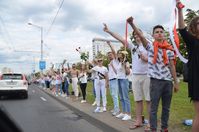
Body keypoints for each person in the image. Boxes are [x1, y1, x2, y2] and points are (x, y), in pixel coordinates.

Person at [126, 16, 179, 132]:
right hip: (155, 81)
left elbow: (172, 66)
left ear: (164, 34)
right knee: (153, 108)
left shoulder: (169, 49)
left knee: (166, 108)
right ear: (153, 35)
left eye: (161, 32)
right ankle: (153, 128)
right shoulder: (150, 47)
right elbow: (141, 36)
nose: (159, 34)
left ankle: (164, 128)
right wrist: (132, 24)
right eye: (157, 32)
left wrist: (176, 82)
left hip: (167, 82)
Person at [104, 23, 150, 126]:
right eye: (135, 35)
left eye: (139, 34)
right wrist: (109, 31)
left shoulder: (148, 45)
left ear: (142, 34)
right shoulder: (133, 47)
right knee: (138, 100)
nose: (137, 36)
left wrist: (147, 59)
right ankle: (138, 121)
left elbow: (154, 58)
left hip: (147, 75)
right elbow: (121, 39)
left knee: (148, 100)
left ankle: (150, 123)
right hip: (136, 76)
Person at [177, 1, 199, 131]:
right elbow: (181, 29)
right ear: (194, 27)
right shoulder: (192, 40)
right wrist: (179, 11)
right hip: (197, 81)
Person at [106, 41, 120, 116]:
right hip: (111, 80)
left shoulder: (115, 60)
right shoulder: (110, 63)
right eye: (108, 55)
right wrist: (107, 82)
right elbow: (109, 73)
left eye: (111, 54)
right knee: (112, 94)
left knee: (115, 95)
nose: (110, 56)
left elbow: (114, 51)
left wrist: (110, 44)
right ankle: (115, 108)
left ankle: (117, 110)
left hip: (115, 79)